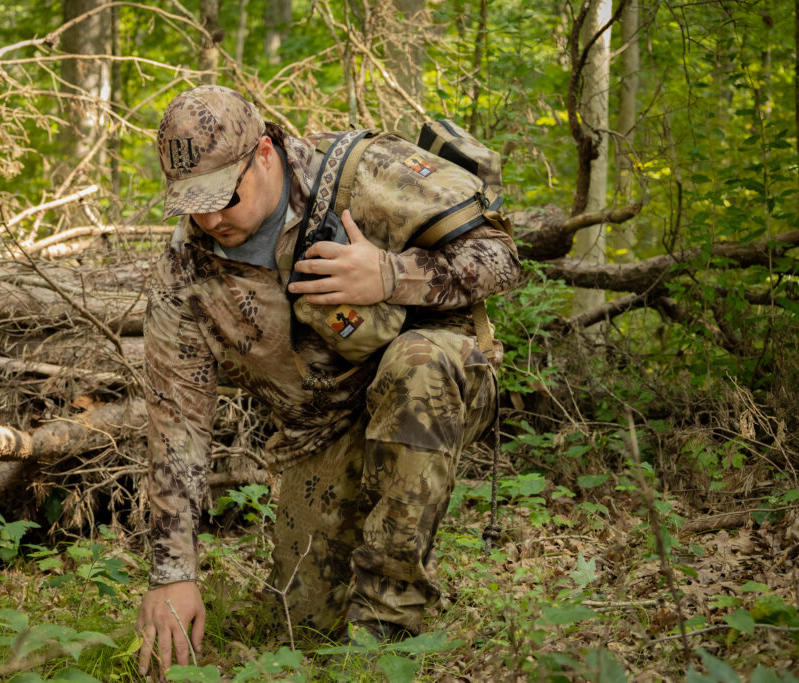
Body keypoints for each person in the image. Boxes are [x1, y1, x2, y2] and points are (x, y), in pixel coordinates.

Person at [136, 85, 521, 675]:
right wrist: (173, 575)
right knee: (303, 621)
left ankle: (387, 633)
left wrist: (391, 276)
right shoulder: (185, 273)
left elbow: (502, 258)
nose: (211, 219)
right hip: (317, 428)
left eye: (224, 197)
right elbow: (176, 425)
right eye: (193, 204)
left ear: (264, 154)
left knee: (416, 365)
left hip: (432, 380)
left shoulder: (365, 173)